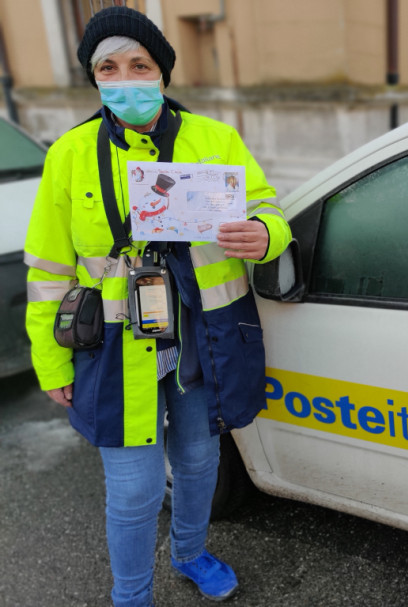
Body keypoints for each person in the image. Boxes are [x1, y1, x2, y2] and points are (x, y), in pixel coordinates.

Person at [24, 6, 291, 606]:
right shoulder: (68, 154)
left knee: (198, 463)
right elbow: (47, 270)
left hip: (201, 340)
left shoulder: (213, 139)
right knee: (135, 489)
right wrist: (51, 363)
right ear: (94, 80)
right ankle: (131, 595)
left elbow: (269, 209)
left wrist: (265, 234)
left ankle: (191, 553)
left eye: (139, 64)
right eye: (108, 68)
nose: (126, 79)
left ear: (163, 74)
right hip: (115, 349)